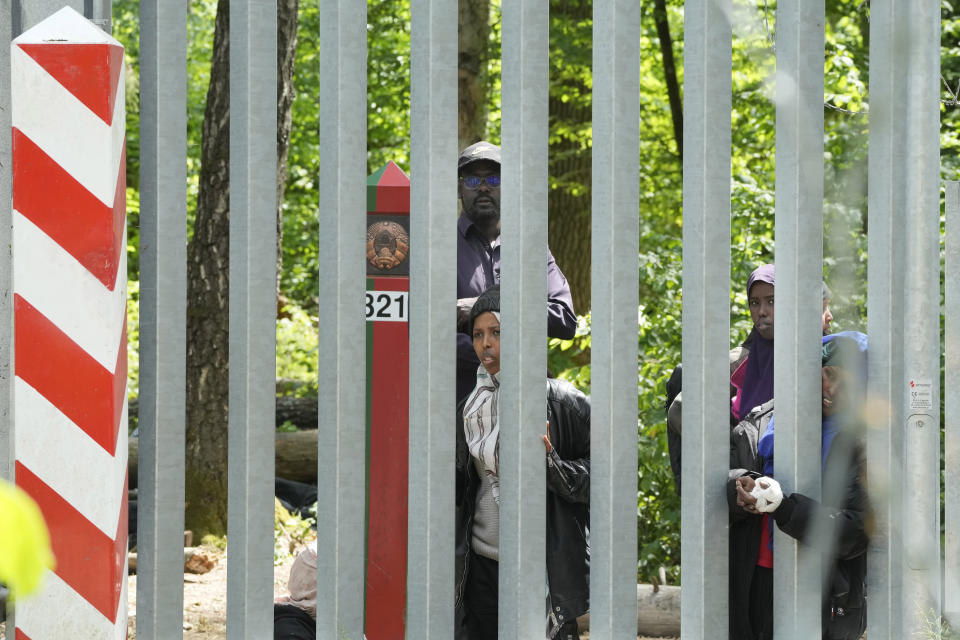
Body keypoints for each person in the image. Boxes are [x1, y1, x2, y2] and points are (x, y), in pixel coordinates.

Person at [455, 286, 589, 640]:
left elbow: (603, 478)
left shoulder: (563, 403)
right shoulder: (470, 409)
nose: (486, 344)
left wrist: (551, 466)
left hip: (541, 567)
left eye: (497, 332)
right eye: (478, 334)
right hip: (482, 565)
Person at [727, 332, 869, 640]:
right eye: (828, 374)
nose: (832, 390)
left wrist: (783, 506)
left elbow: (855, 531)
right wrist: (741, 487)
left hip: (825, 589)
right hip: (760, 576)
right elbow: (723, 480)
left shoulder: (861, 443)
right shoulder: (766, 419)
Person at [455, 141, 577, 403]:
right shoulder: (437, 249)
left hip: (527, 403)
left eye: (495, 179)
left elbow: (565, 319)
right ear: (459, 187)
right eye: (474, 180)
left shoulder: (530, 247)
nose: (485, 187)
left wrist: (483, 307)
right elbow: (425, 334)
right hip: (458, 408)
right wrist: (509, 353)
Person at [666, 263, 775, 494]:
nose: (762, 311)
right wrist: (738, 455)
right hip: (747, 493)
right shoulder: (738, 362)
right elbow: (680, 409)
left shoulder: (811, 359)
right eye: (754, 303)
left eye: (771, 301)